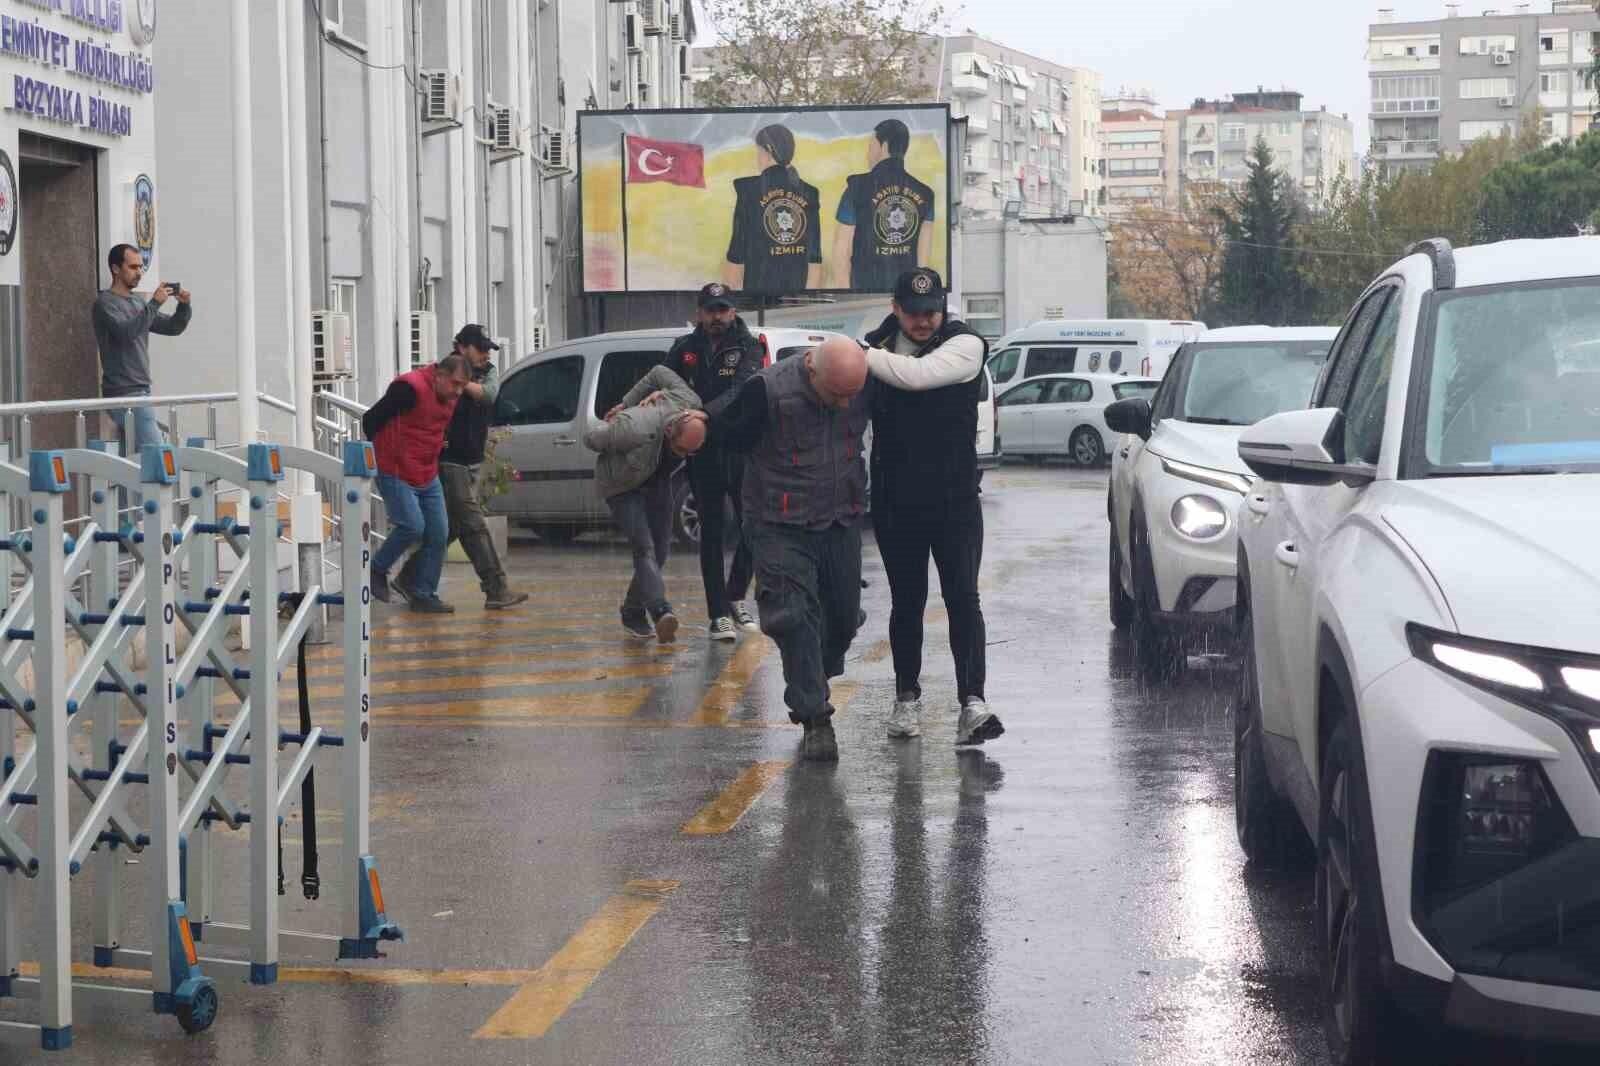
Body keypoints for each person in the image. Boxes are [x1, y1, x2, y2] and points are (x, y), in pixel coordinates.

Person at [679, 337, 872, 762]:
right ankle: (815, 717)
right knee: (793, 617)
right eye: (835, 394)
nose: (844, 404)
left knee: (842, 618)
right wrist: (693, 429)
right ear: (812, 369)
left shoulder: (864, 381)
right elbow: (724, 434)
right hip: (779, 525)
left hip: (840, 519)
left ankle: (815, 673)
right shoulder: (766, 391)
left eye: (851, 396)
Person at [862, 268, 1003, 747]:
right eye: (915, 312)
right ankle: (907, 700)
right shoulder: (877, 345)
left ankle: (973, 704)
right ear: (895, 307)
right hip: (896, 499)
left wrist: (859, 355)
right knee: (907, 602)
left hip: (953, 498)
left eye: (932, 311)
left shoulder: (965, 345)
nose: (925, 321)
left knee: (963, 598)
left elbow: (917, 377)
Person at [396, 325, 528, 610]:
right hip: (448, 460)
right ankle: (496, 588)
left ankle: (408, 577)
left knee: (452, 527)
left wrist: (463, 382)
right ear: (461, 347)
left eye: (487, 349)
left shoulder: (483, 372)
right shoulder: (443, 375)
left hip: (472, 459)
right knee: (472, 523)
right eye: (479, 348)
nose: (484, 355)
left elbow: (491, 394)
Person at [665, 283, 763, 643]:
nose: (717, 317)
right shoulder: (685, 348)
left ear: (733, 311)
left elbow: (742, 388)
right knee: (712, 532)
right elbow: (663, 379)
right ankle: (718, 614)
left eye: (723, 310)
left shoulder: (749, 346)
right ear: (700, 312)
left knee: (751, 526)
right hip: (702, 452)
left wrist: (705, 413)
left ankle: (736, 594)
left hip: (738, 446)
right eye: (710, 310)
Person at [584, 364, 705, 643]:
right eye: (681, 450)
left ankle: (632, 611)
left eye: (690, 453)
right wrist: (620, 411)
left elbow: (659, 371)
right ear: (670, 431)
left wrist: (704, 413)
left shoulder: (690, 402)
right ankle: (662, 611)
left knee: (661, 551)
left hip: (655, 483)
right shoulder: (633, 427)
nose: (684, 456)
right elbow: (591, 438)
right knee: (644, 547)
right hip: (622, 485)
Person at [362, 355, 473, 614]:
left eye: (462, 386)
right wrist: (386, 452)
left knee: (438, 533)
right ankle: (376, 569)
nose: (457, 391)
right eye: (454, 384)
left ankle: (424, 594)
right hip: (395, 469)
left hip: (426, 472)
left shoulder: (451, 396)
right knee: (412, 525)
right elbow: (371, 419)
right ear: (439, 375)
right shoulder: (408, 389)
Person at [92, 243, 192, 456]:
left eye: (140, 267)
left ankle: (126, 490)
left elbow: (173, 327)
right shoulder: (105, 303)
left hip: (140, 391)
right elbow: (126, 333)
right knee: (159, 457)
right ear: (116, 269)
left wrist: (184, 305)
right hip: (124, 393)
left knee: (132, 464)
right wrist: (154, 303)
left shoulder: (138, 303)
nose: (139, 272)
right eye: (133, 267)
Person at [829, 119, 937, 292]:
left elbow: (841, 252)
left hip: (864, 293)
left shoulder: (857, 187)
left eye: (871, 146)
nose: (868, 153)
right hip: (905, 297)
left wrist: (846, 293)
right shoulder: (925, 193)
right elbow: (922, 261)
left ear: (884, 146)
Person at [723, 124, 824, 296]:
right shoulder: (809, 192)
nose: (757, 158)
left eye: (758, 151)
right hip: (795, 298)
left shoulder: (748, 190)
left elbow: (736, 254)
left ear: (768, 150)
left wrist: (733, 300)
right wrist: (806, 300)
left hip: (758, 296)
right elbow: (814, 259)